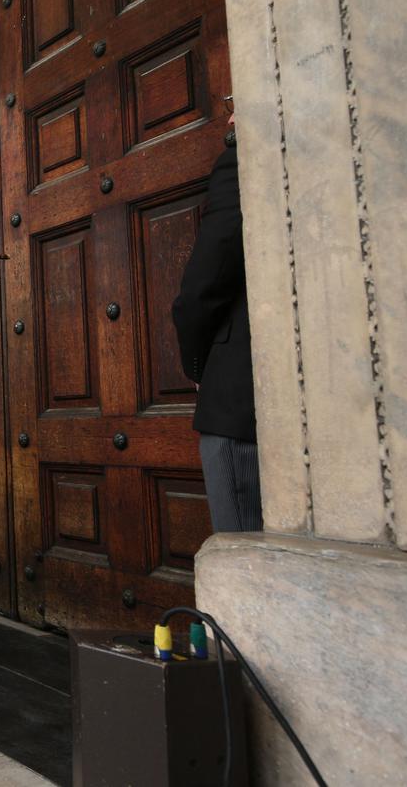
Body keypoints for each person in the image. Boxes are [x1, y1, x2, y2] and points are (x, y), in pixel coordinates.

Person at [172, 105, 262, 532]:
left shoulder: (246, 160)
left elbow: (203, 284)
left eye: (235, 104)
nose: (230, 117)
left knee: (242, 557)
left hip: (237, 402)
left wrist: (195, 363)